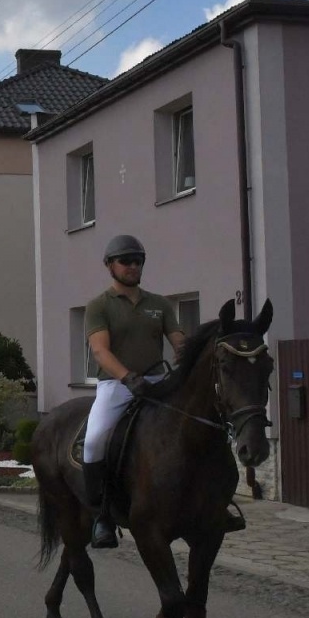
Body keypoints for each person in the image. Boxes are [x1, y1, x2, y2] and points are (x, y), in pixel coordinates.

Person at [81, 234, 187, 549]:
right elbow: (100, 352)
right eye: (125, 261)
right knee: (94, 440)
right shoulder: (99, 306)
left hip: (157, 381)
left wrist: (187, 357)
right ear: (110, 265)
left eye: (137, 261)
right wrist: (128, 378)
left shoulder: (160, 303)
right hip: (117, 385)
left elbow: (178, 339)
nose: (132, 266)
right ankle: (102, 515)